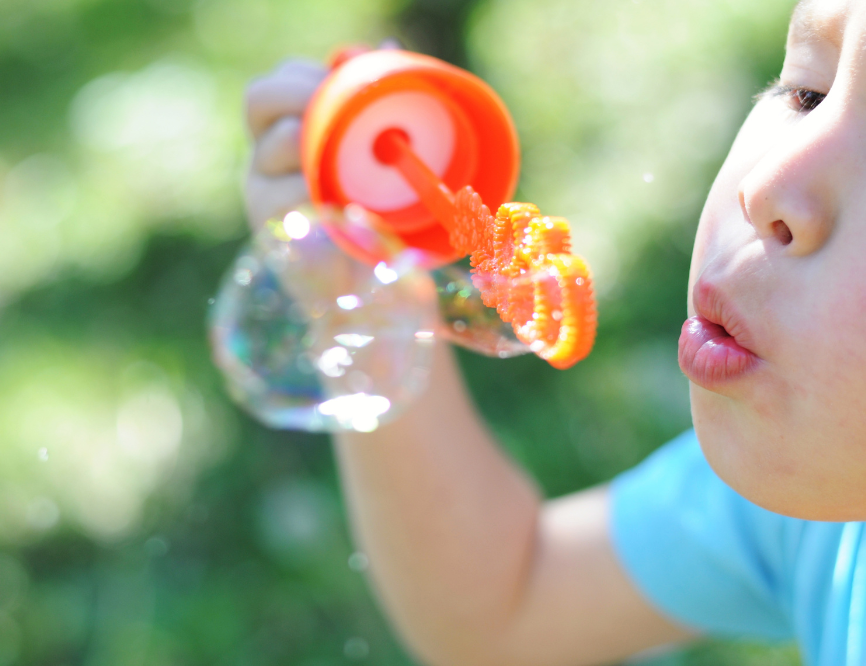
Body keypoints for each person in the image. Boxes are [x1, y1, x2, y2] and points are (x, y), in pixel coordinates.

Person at [243, 0, 866, 664]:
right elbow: (505, 607)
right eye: (808, 92)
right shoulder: (823, 501)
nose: (766, 183)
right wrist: (359, 296)